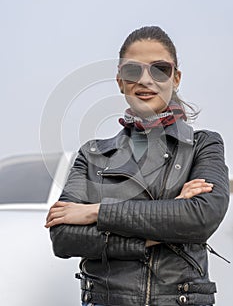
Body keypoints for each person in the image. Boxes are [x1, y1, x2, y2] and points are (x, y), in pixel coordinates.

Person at [45, 26, 229, 306]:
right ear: (120, 81)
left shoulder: (204, 145)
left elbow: (200, 218)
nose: (145, 80)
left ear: (175, 78)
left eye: (159, 69)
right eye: (133, 71)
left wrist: (95, 211)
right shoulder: (93, 154)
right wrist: (152, 235)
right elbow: (63, 237)